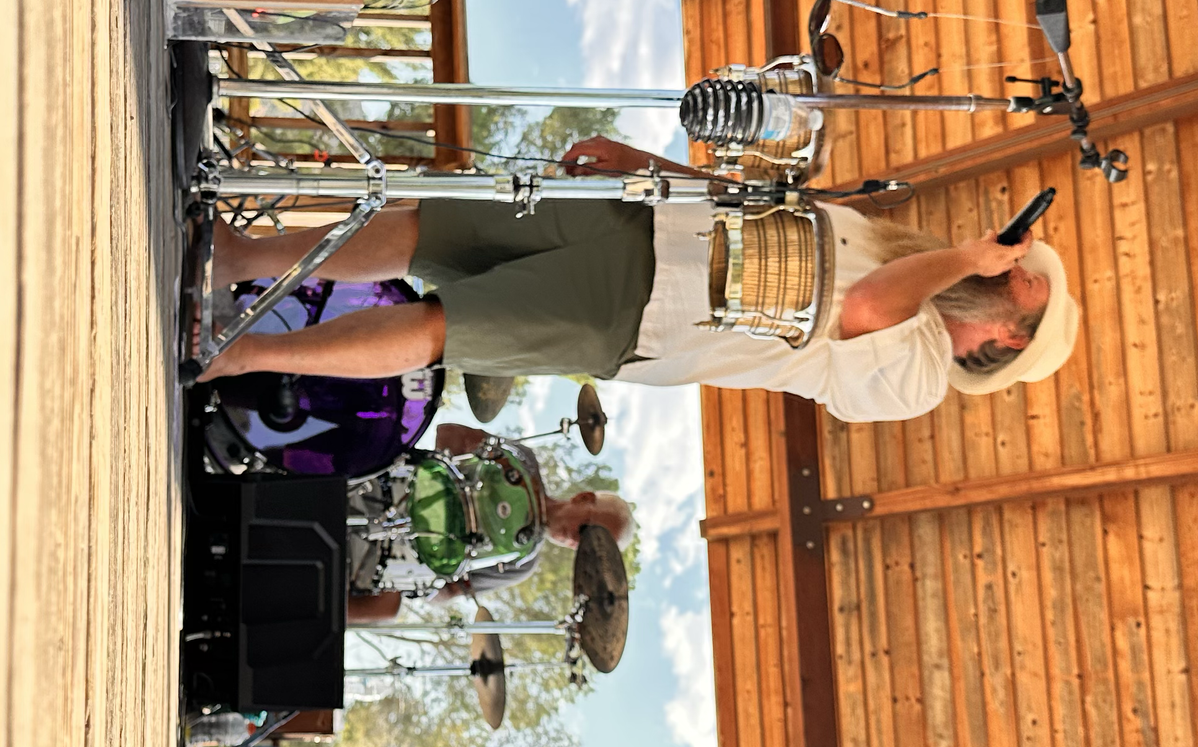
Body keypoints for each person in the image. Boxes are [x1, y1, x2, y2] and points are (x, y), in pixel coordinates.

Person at [196, 138, 1081, 425]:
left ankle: (241, 355)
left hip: (638, 316)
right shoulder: (884, 236)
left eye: (1023, 283)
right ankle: (238, 258)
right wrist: (643, 163)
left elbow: (859, 312)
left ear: (1007, 340)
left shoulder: (923, 373)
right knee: (436, 225)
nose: (1013, 263)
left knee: (444, 325)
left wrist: (965, 260)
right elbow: (754, 201)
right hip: (641, 220)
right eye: (1020, 260)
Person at [347, 420, 634, 623]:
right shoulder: (525, 463)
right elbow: (448, 433)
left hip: (403, 556)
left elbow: (448, 590)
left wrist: (431, 583)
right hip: (394, 488)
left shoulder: (523, 564)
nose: (574, 540)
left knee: (386, 609)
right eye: (586, 530)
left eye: (582, 548)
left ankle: (306, 605)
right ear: (583, 498)